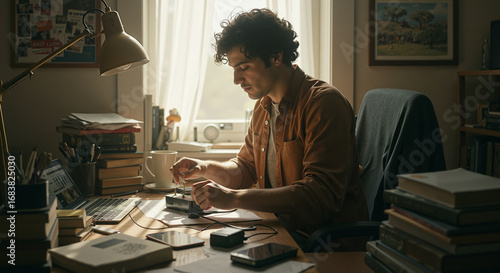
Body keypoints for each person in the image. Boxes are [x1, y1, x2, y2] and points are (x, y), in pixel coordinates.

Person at [171, 8, 369, 251]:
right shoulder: (263, 107)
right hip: (279, 231)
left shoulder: (323, 103)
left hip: (322, 244)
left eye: (243, 67)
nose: (235, 79)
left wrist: (233, 198)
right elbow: (246, 168)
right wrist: (206, 168)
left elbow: (320, 197)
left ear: (276, 57)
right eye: (234, 68)